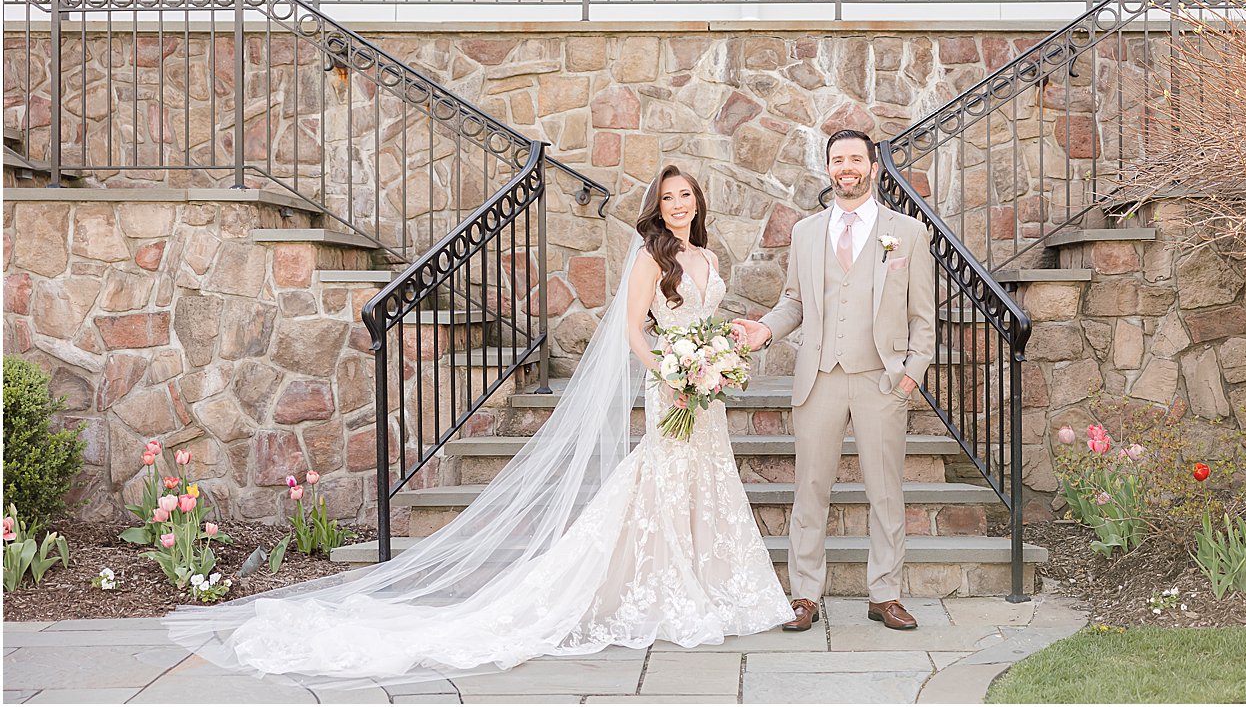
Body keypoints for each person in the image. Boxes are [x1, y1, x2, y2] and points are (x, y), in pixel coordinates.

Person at [166, 166, 793, 684]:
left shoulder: (709, 257)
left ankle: (707, 585)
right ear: (656, 208)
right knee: (662, 480)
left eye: (686, 196)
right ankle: (658, 589)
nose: (679, 205)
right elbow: (634, 331)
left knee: (705, 481)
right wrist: (674, 374)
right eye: (668, 198)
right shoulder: (651, 257)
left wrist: (719, 354)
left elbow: (704, 324)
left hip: (704, 391)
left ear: (698, 203)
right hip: (672, 387)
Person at [734, 129, 934, 633]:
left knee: (886, 491)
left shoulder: (907, 233)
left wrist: (911, 374)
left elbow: (923, 316)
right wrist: (765, 328)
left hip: (880, 380)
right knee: (811, 489)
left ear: (873, 167)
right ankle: (804, 595)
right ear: (829, 169)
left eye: (855, 159)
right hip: (819, 378)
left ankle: (884, 594)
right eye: (837, 160)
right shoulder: (805, 233)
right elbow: (794, 303)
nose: (846, 167)